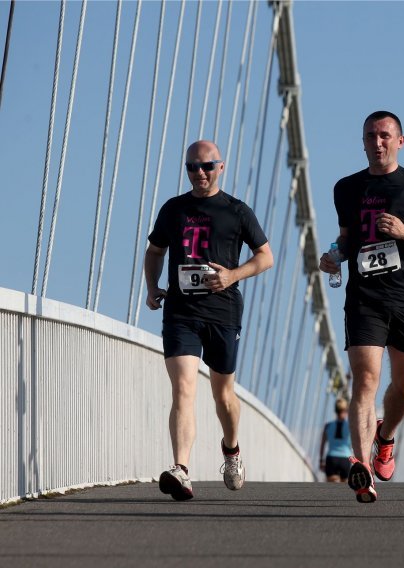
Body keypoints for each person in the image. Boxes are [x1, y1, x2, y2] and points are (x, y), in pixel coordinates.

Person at [318, 111, 404, 503]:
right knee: (365, 380)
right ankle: (362, 466)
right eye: (371, 136)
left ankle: (386, 436)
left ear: (400, 141)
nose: (378, 142)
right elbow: (345, 239)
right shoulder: (346, 188)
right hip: (364, 298)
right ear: (362, 141)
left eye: (385, 136)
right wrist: (333, 255)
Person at [145, 140, 274, 501]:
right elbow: (155, 251)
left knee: (223, 394)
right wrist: (152, 285)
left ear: (221, 166)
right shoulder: (174, 209)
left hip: (223, 312)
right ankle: (181, 469)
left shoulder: (237, 211)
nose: (199, 173)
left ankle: (231, 450)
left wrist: (233, 275)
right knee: (184, 387)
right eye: (192, 167)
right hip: (181, 312)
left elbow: (265, 258)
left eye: (206, 166)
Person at [319, 398, 353, 482]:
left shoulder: (328, 426)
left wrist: (321, 461)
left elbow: (322, 445)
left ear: (335, 410)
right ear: (346, 410)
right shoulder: (351, 426)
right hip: (346, 459)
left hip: (331, 458)